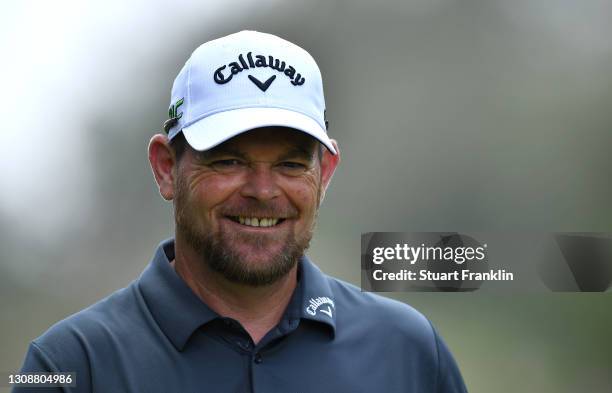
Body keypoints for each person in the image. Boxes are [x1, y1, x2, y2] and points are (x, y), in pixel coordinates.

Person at [14, 30, 467, 393]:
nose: (263, 191)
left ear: (325, 173)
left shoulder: (408, 350)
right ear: (166, 168)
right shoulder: (71, 365)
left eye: (290, 164)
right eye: (229, 161)